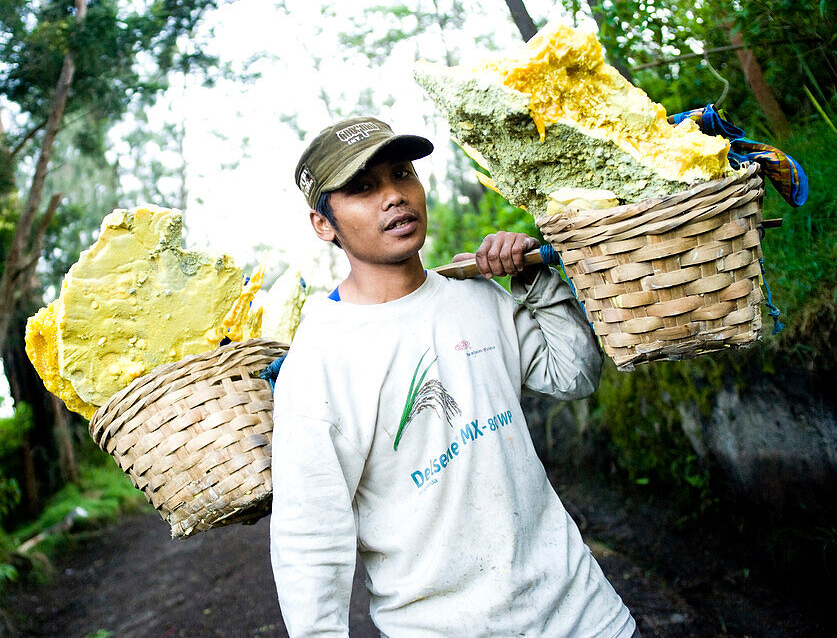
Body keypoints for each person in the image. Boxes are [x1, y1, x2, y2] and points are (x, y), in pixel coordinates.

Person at [269, 116, 637, 637]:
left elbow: (573, 375)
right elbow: (310, 537)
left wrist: (535, 277)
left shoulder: (475, 295)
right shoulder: (320, 360)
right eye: (363, 188)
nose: (394, 196)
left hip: (583, 614)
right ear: (323, 223)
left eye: (402, 174)